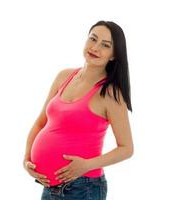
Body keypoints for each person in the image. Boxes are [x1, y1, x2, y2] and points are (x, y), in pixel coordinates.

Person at [23, 20, 134, 200]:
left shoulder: (110, 94)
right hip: (49, 186)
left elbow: (126, 148)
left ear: (113, 55)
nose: (95, 47)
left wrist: (87, 165)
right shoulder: (64, 76)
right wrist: (27, 157)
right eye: (93, 39)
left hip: (83, 187)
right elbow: (40, 123)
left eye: (105, 45)